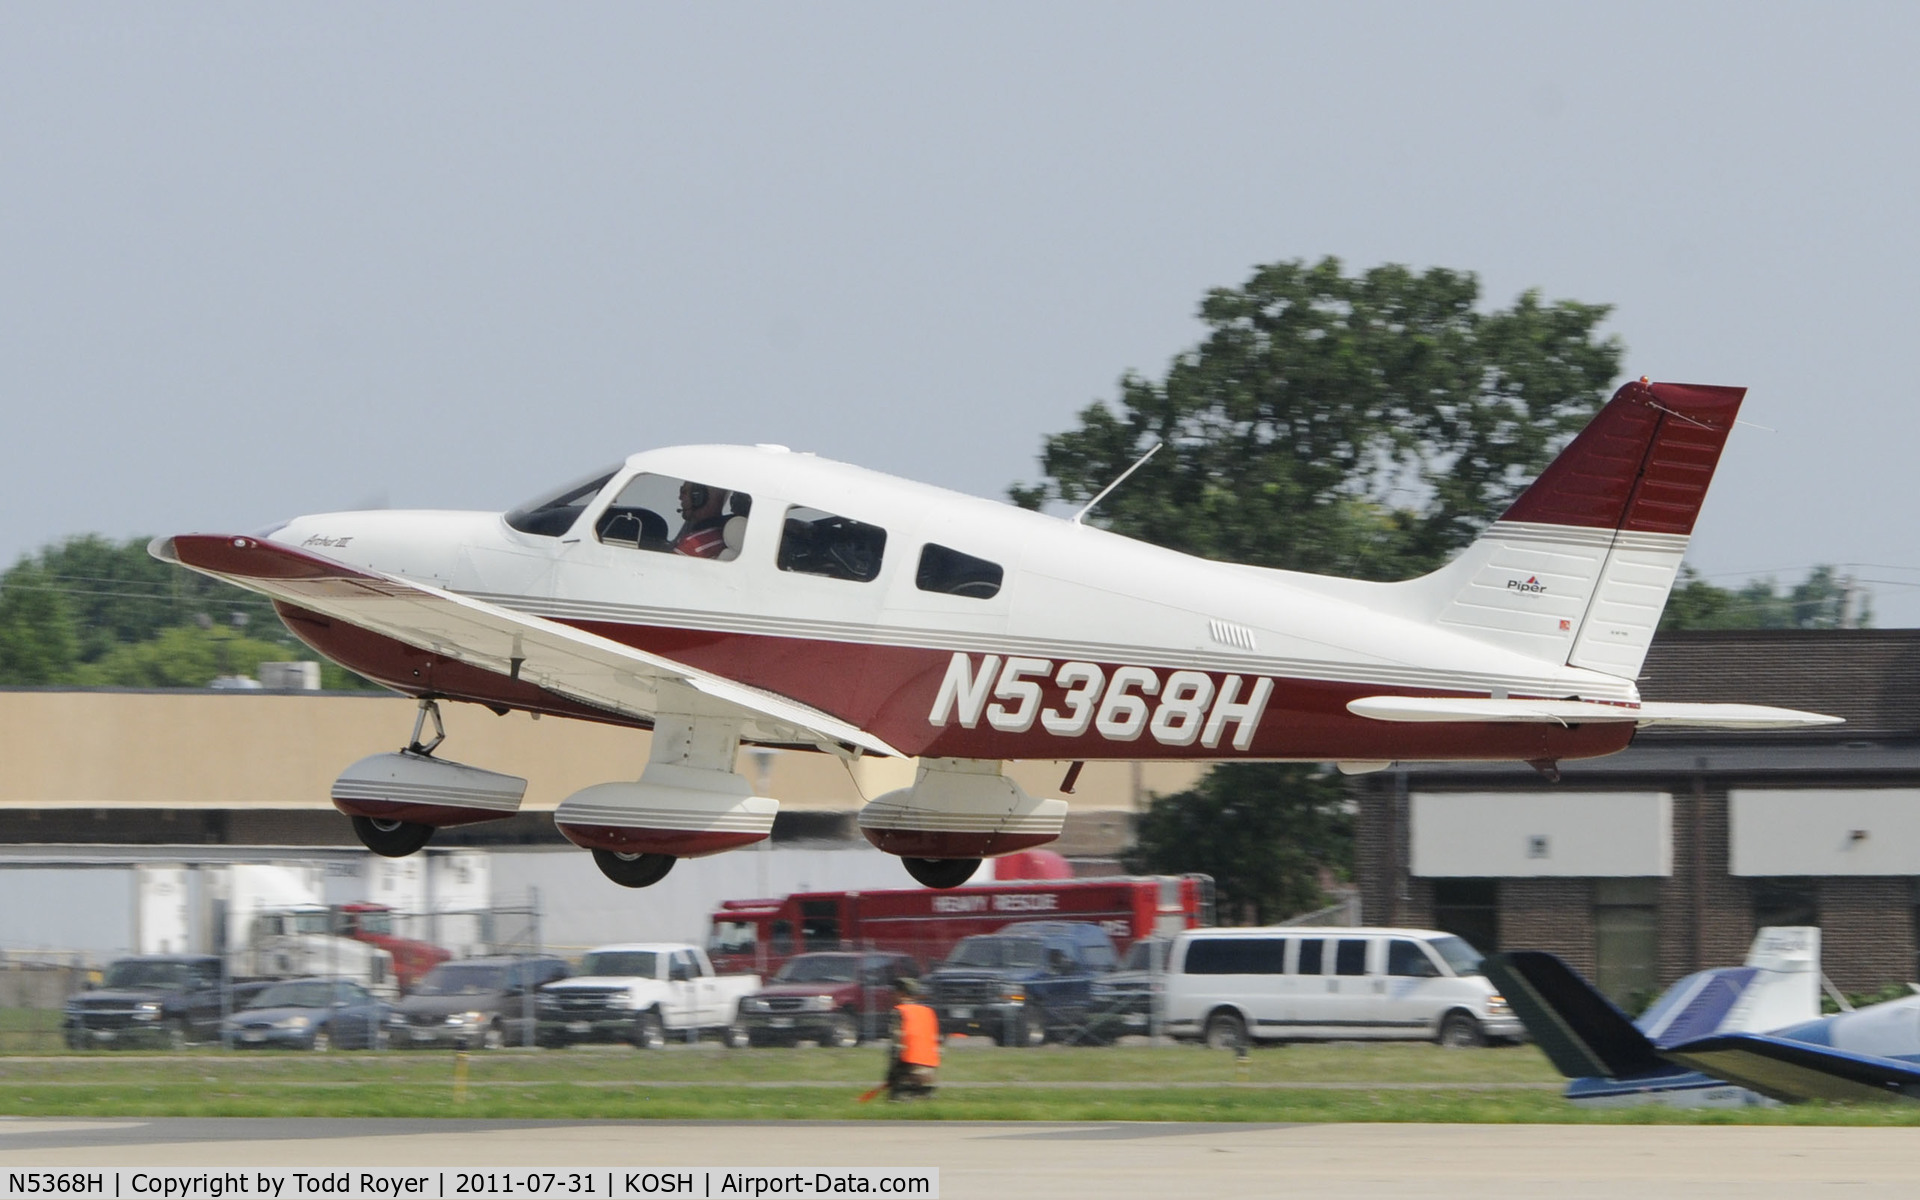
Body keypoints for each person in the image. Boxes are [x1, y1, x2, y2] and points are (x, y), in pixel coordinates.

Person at [883, 977, 939, 1101]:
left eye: (895, 991)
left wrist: (891, 1074)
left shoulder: (899, 1012)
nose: (892, 995)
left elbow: (897, 1046)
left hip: (908, 1073)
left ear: (901, 993)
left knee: (897, 1108)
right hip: (929, 1074)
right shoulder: (928, 1012)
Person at [673, 481, 731, 558]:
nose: (680, 497)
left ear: (698, 497)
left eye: (684, 492)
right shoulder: (723, 538)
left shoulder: (691, 546)